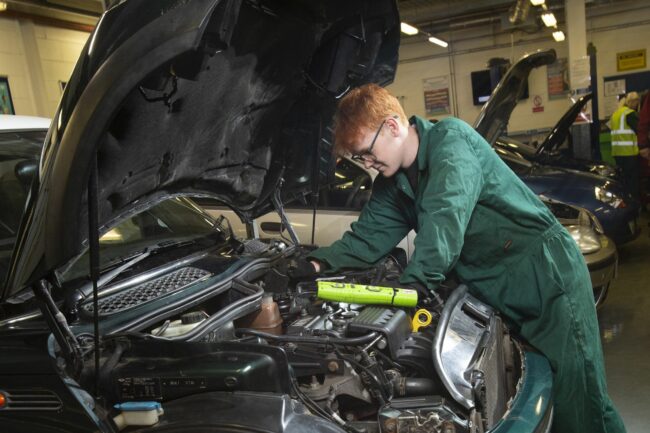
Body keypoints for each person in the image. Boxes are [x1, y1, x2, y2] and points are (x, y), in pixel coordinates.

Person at [306, 83, 625, 433]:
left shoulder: (450, 142)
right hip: (499, 290)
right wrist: (314, 265)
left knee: (580, 401)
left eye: (366, 152)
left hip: (546, 278)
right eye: (359, 158)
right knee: (549, 400)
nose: (367, 163)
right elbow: (365, 240)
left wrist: (410, 291)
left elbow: (444, 223)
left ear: (393, 126)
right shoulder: (393, 184)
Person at [610, 91, 641, 201]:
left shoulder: (615, 115)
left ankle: (625, 203)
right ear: (633, 101)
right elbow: (640, 131)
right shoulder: (630, 114)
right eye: (637, 102)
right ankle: (635, 206)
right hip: (629, 154)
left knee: (623, 181)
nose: (637, 105)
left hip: (617, 154)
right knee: (633, 182)